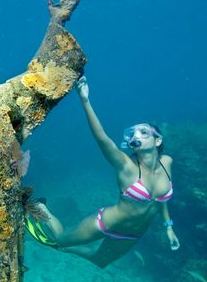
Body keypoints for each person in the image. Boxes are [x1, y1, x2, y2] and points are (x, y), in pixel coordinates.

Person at [27, 76, 180, 268]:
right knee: (62, 238)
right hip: (106, 222)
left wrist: (169, 228)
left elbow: (162, 200)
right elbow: (102, 139)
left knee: (100, 261)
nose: (136, 136)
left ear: (157, 141)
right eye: (133, 133)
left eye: (143, 132)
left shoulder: (167, 162)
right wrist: (85, 100)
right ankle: (43, 211)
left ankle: (63, 248)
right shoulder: (126, 165)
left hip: (132, 234)